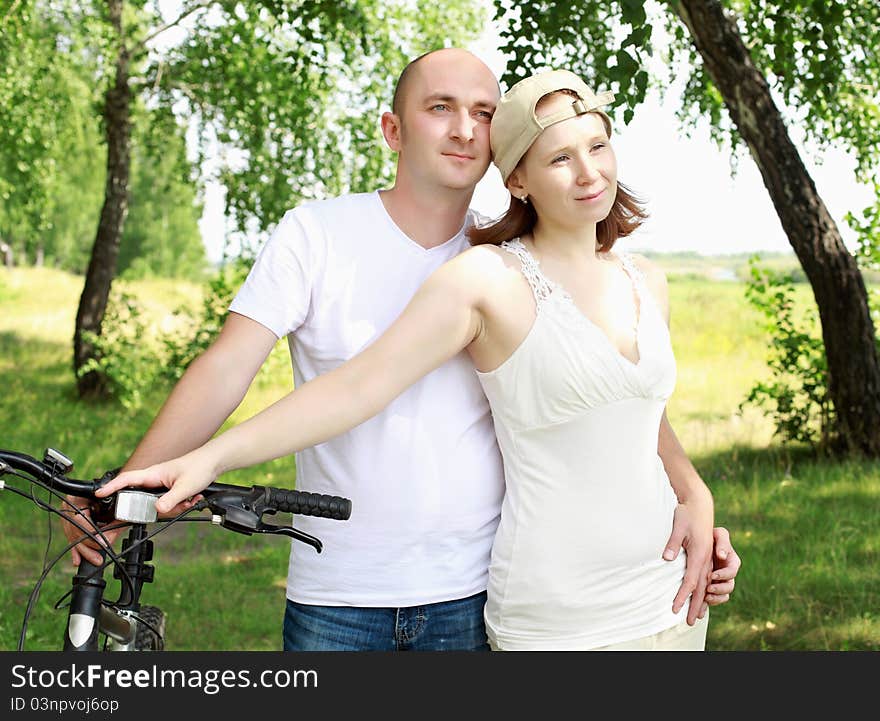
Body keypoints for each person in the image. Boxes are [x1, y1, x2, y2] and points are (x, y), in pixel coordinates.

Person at [71, 50, 740, 650]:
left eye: (483, 113)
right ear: (395, 129)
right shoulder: (360, 244)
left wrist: (693, 491)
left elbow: (622, 403)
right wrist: (156, 475)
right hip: (356, 589)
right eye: (440, 108)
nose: (466, 129)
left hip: (498, 584)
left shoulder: (568, 264)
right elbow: (315, 380)